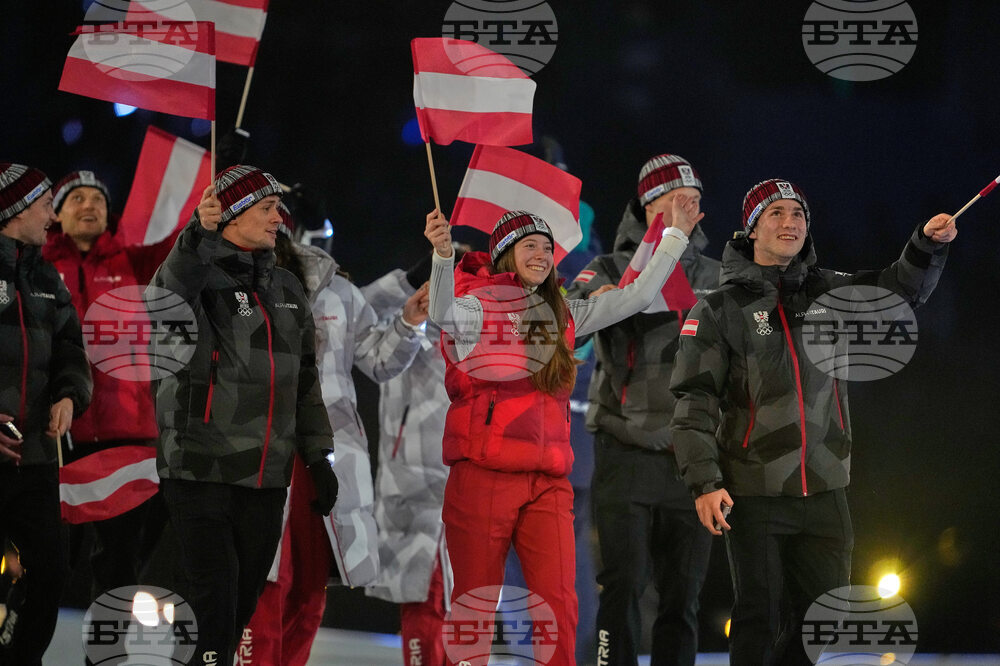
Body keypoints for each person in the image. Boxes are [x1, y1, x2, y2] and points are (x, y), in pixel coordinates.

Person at [669, 178, 957, 665]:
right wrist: (703, 482)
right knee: (758, 621)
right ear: (752, 229)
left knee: (820, 624)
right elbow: (694, 401)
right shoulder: (719, 308)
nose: (789, 223)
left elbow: (896, 292)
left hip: (825, 488)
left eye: (798, 215)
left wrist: (925, 246)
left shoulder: (832, 291)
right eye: (776, 214)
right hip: (755, 490)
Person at [425, 202, 702, 666]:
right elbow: (442, 316)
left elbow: (634, 296)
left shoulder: (564, 315)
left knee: (559, 606)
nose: (541, 254)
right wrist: (441, 257)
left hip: (547, 483)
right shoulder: (476, 305)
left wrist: (674, 235)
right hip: (482, 477)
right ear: (504, 255)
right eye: (529, 245)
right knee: (474, 606)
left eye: (547, 247)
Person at [148, 165, 339, 666]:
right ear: (230, 215)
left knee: (238, 610)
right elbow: (164, 298)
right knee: (213, 604)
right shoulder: (195, 277)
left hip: (266, 477)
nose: (280, 218)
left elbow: (305, 381)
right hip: (201, 468)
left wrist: (318, 457)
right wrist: (197, 235)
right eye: (267, 208)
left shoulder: (287, 289)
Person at [240, 204, 428, 666]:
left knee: (308, 586)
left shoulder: (337, 291)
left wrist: (407, 321)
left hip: (328, 456)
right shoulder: (236, 285)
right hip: (264, 451)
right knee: (265, 583)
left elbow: (380, 361)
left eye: (277, 219)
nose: (273, 228)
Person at [565, 155, 718, 666]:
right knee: (622, 586)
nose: (688, 208)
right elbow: (573, 329)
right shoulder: (604, 268)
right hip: (624, 450)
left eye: (694, 199)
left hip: (691, 460)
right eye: (676, 199)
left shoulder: (719, 276)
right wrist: (607, 300)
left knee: (682, 599)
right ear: (648, 206)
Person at [42, 170, 173, 598]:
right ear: (55, 213)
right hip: (57, 436)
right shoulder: (36, 265)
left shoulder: (136, 261)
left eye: (98, 199)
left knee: (119, 568)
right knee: (47, 562)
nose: (90, 205)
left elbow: (184, 247)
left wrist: (214, 184)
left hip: (128, 437)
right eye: (76, 198)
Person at [0, 163, 93, 665]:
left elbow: (70, 347)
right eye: (43, 206)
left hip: (35, 456)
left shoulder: (45, 275)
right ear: (14, 211)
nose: (51, 218)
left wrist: (68, 395)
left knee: (51, 573)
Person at [361, 247, 468, 666]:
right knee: (422, 601)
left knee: (462, 604)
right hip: (412, 486)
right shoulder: (401, 321)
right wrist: (412, 277)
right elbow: (362, 308)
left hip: (465, 486)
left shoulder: (472, 324)